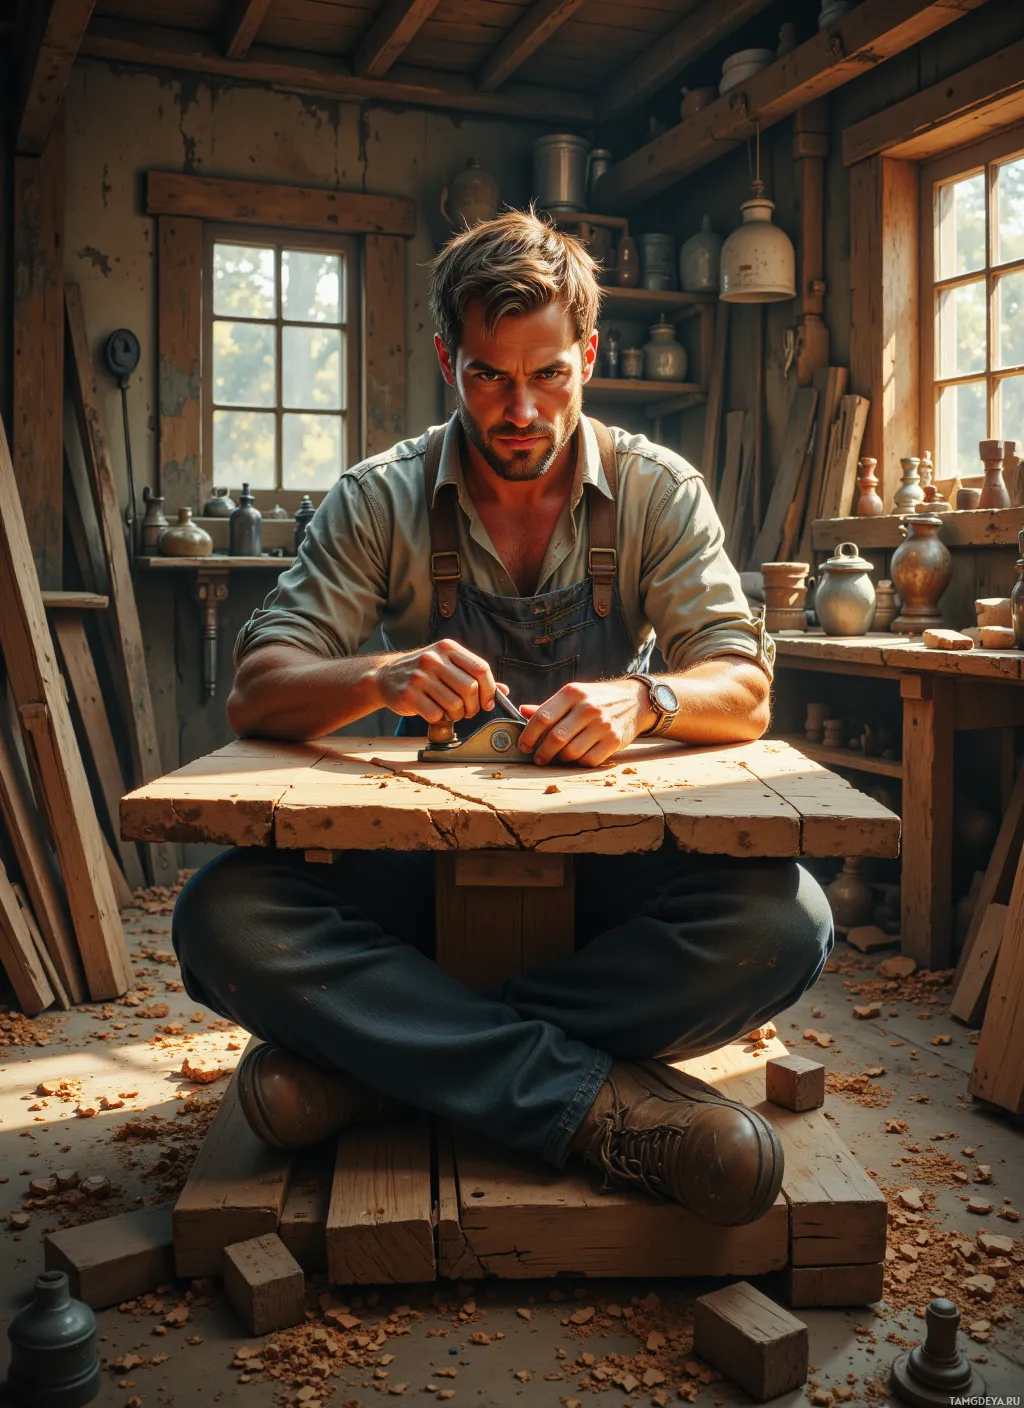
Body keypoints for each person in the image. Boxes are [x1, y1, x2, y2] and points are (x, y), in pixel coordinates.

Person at [173, 210, 832, 1228]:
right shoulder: (378, 497)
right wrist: (383, 674)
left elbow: (744, 685)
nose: (520, 409)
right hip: (416, 863)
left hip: (606, 868)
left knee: (787, 923)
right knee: (219, 920)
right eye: (489, 376)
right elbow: (257, 688)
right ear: (448, 359)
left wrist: (647, 695)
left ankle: (382, 1066)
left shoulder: (658, 490)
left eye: (550, 376)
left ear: (591, 357)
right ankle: (586, 1100)